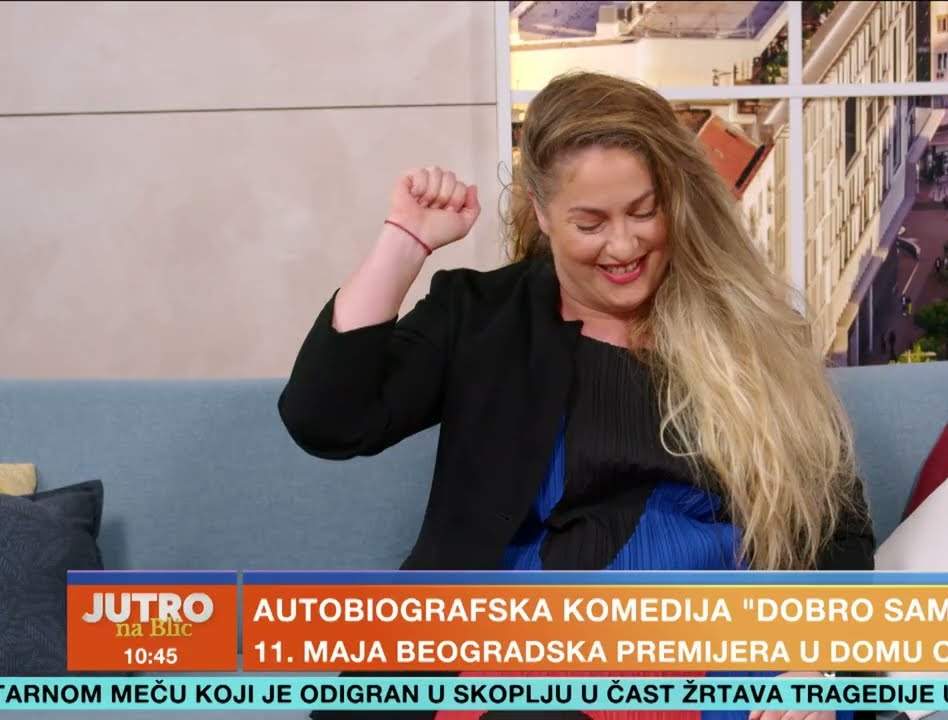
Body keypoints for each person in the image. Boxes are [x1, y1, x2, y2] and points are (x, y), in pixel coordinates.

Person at [279, 71, 876, 720]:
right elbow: (326, 420)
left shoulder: (747, 326)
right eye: (590, 222)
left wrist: (818, 665)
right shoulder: (481, 316)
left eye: (643, 212)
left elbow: (836, 523)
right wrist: (405, 244)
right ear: (541, 212)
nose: (624, 245)